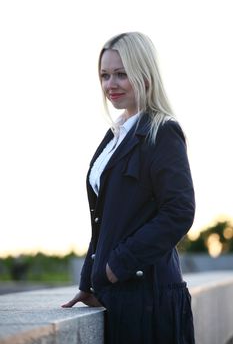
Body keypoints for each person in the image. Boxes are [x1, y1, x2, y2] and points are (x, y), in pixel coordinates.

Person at [62, 32, 195, 344]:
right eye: (105, 75)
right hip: (118, 295)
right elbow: (105, 221)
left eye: (121, 74)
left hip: (149, 299)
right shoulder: (115, 135)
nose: (111, 85)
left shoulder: (162, 132)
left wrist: (116, 265)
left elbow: (179, 212)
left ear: (145, 75)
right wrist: (90, 281)